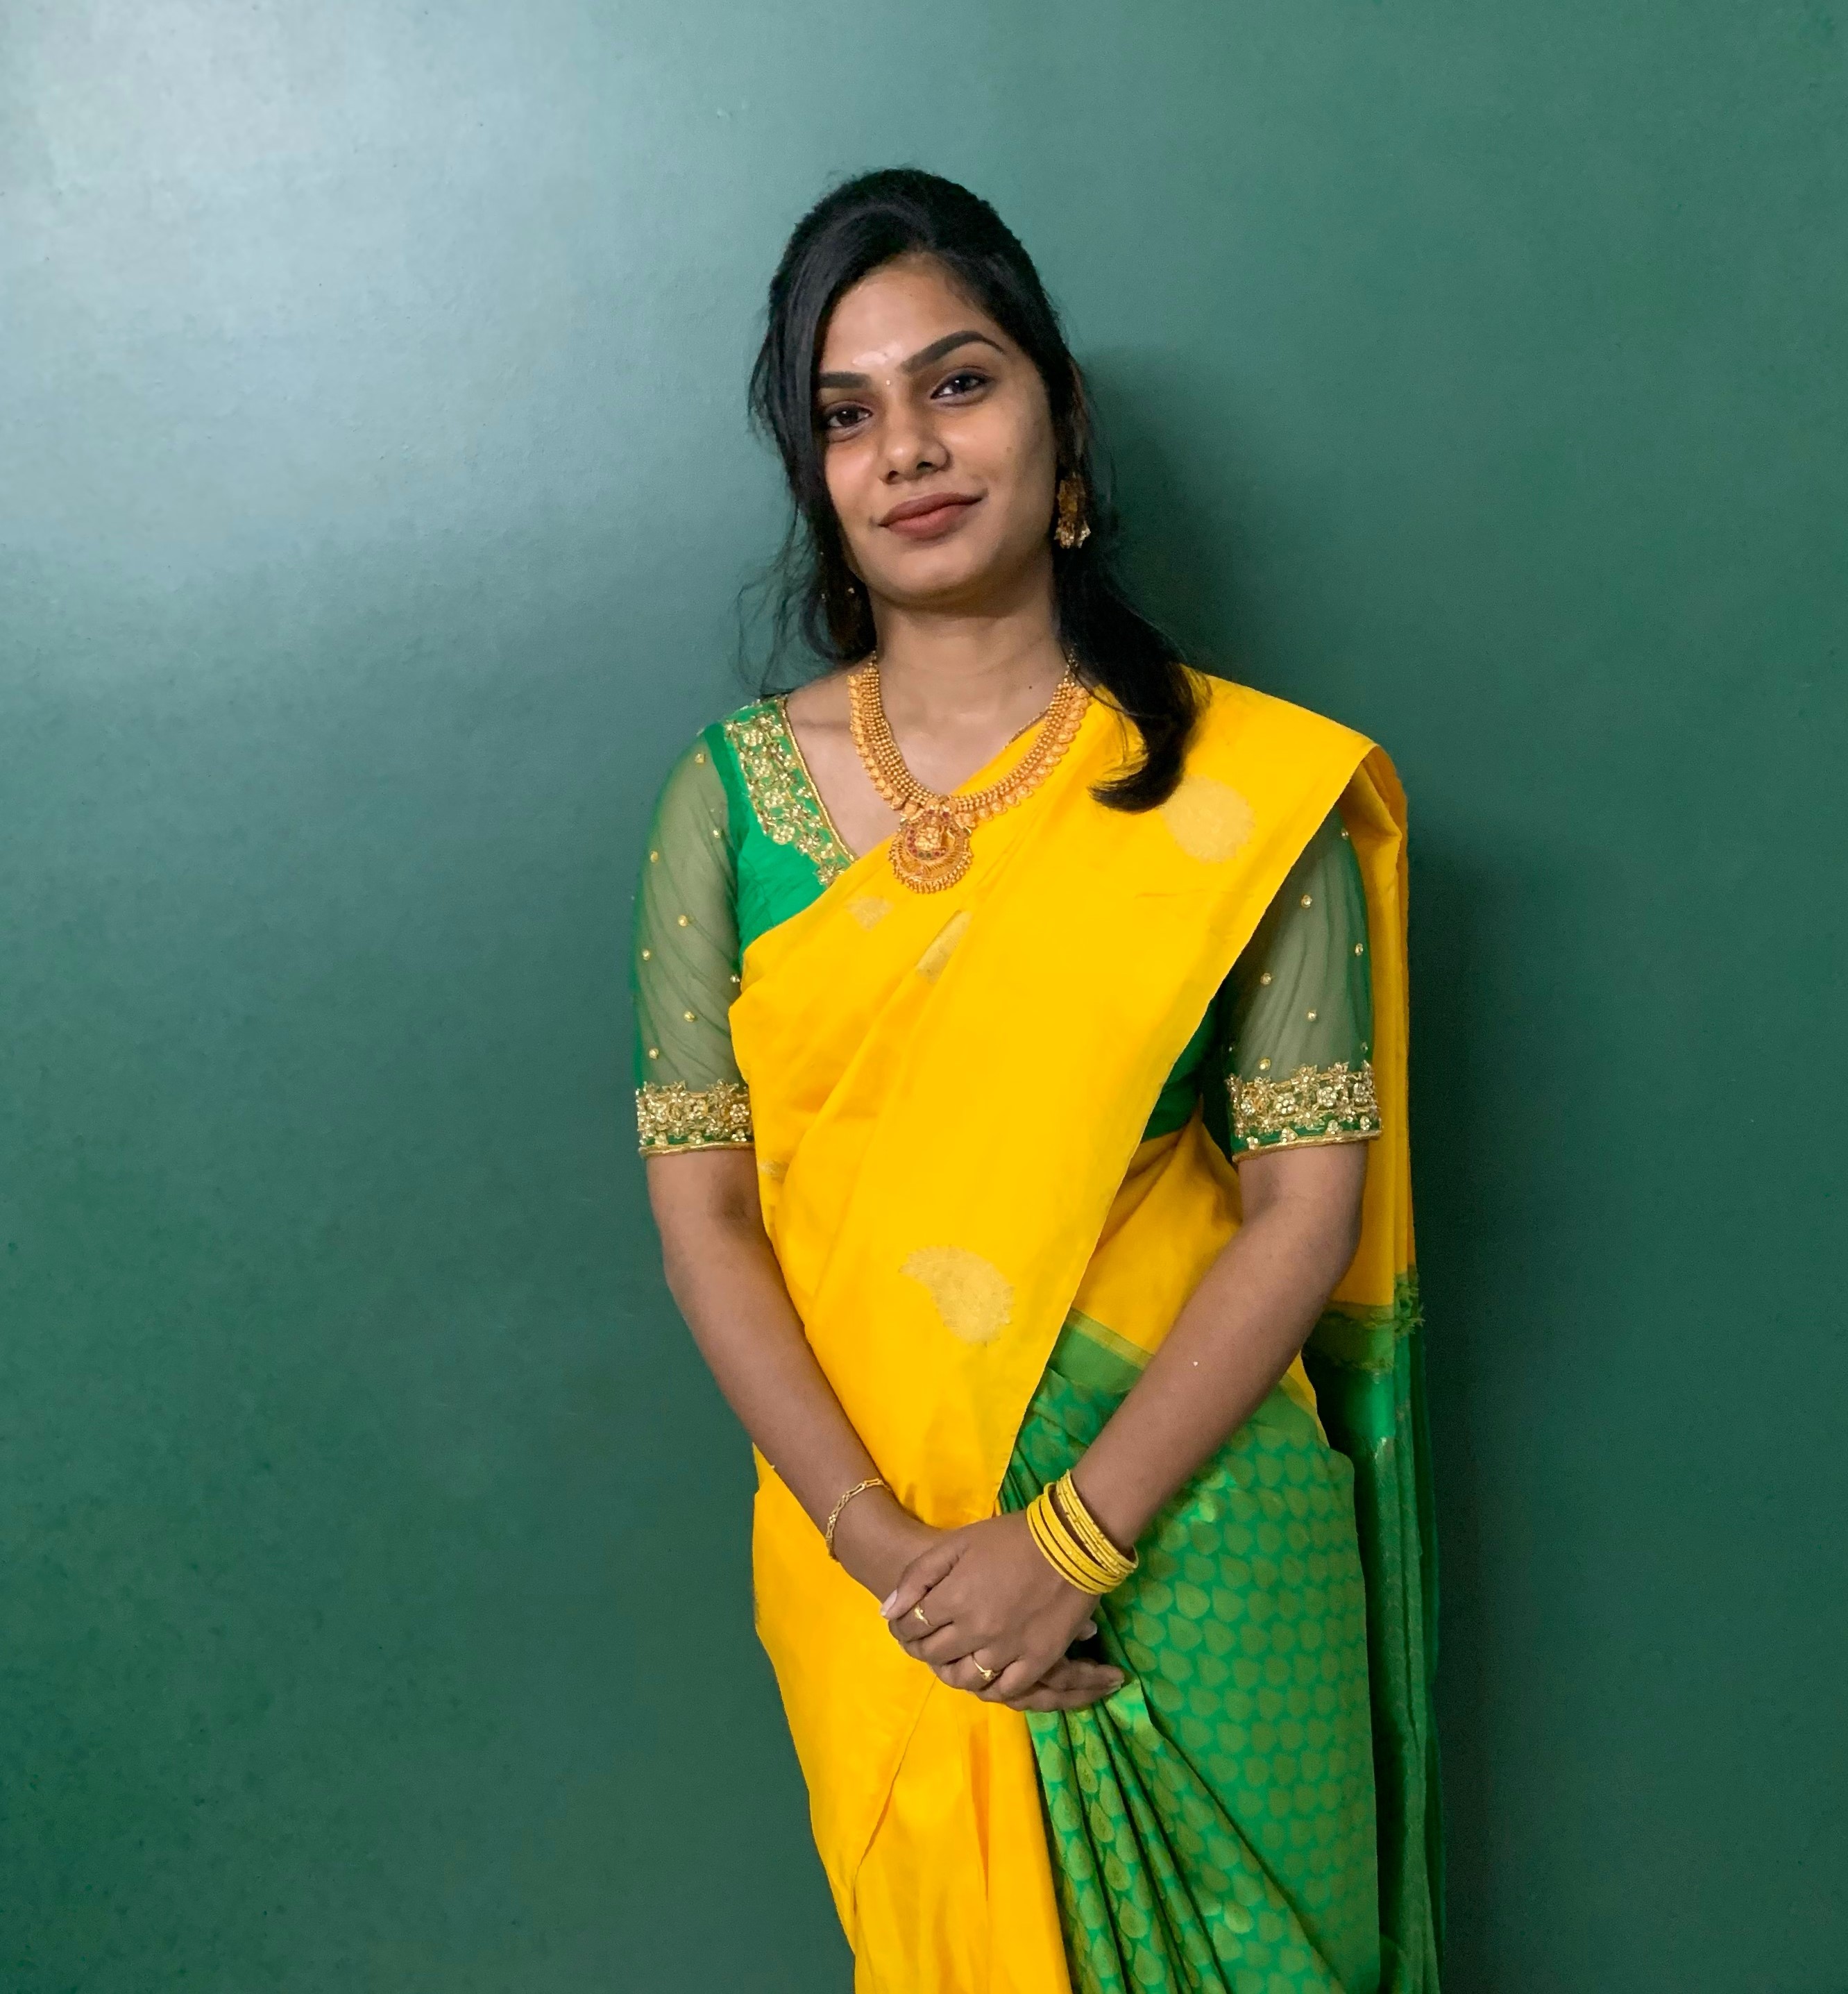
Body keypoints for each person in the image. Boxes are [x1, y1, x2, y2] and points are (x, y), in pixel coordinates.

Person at [633, 168, 1440, 1994]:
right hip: (887, 1569)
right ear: (816, 478)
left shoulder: (1248, 793)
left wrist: (1070, 1545)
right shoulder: (726, 804)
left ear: (1060, 422)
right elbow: (705, 1223)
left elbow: (1305, 1213)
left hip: (1201, 1533)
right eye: (847, 415)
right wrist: (897, 1557)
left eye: (958, 382)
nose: (908, 448)